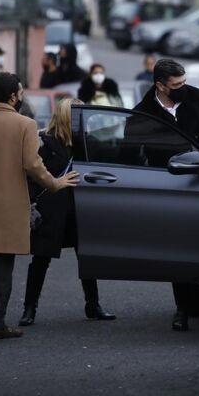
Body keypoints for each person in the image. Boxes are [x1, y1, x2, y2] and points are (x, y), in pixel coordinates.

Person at [0, 73, 80, 345]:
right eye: (21, 93)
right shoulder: (25, 125)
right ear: (13, 96)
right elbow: (33, 166)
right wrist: (56, 184)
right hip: (12, 206)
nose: (22, 97)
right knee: (4, 265)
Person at [132, 59, 199, 332]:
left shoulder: (195, 97)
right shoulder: (143, 113)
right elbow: (131, 151)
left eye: (184, 81)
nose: (183, 87)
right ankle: (183, 307)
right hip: (169, 184)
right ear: (160, 86)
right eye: (177, 84)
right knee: (180, 246)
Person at [20, 98, 117, 326]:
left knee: (87, 257)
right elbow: (32, 176)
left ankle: (93, 305)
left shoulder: (86, 142)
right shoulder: (44, 142)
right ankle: (29, 308)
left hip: (80, 209)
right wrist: (33, 203)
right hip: (52, 210)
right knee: (41, 259)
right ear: (67, 118)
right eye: (78, 114)